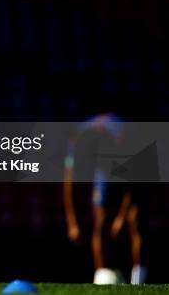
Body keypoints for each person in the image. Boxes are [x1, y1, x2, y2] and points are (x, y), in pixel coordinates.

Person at [63, 113, 147, 285]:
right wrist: (73, 221)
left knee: (135, 220)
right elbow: (69, 183)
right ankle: (103, 276)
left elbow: (134, 187)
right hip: (107, 163)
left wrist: (121, 217)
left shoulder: (126, 143)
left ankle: (139, 277)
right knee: (101, 220)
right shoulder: (79, 144)